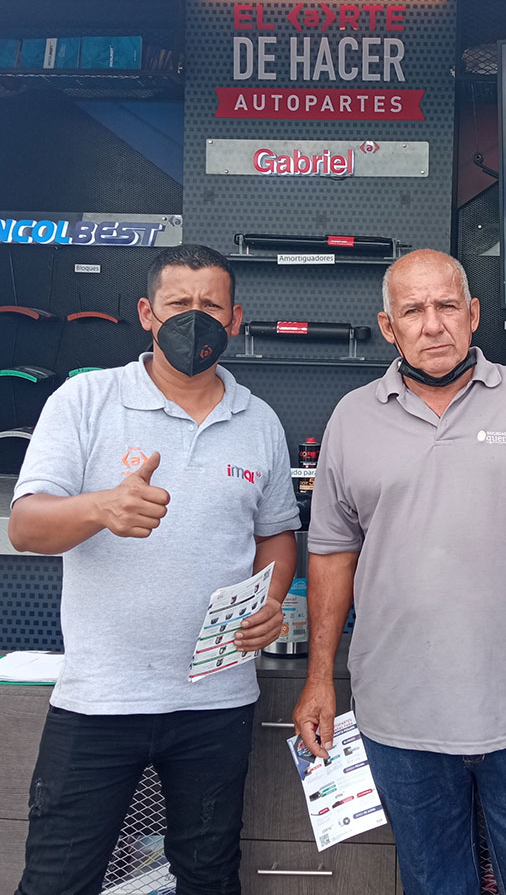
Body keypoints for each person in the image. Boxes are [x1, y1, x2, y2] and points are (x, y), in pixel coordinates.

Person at [293, 248, 506, 895]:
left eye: (446, 306)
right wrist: (319, 679)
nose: (432, 324)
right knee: (435, 885)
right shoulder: (352, 419)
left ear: (472, 314)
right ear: (388, 327)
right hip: (399, 716)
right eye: (413, 310)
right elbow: (331, 552)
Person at [9, 243, 300, 895]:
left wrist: (272, 598)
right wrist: (101, 507)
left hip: (216, 703)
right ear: (146, 313)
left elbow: (277, 534)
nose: (194, 319)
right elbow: (26, 526)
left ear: (234, 318)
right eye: (178, 304)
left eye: (210, 306)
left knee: (208, 877)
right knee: (58, 879)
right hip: (100, 698)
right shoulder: (86, 400)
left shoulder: (259, 421)